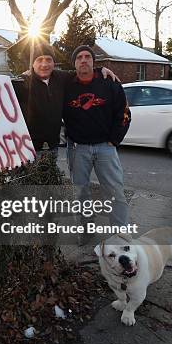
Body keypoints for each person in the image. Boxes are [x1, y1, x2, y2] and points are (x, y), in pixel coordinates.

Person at [63, 45, 131, 228]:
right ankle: (86, 227)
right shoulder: (67, 84)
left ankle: (120, 234)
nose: (83, 60)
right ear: (74, 63)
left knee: (115, 191)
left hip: (105, 147)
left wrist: (114, 140)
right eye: (79, 57)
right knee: (80, 192)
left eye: (87, 57)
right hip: (77, 148)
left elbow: (124, 112)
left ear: (94, 62)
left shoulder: (109, 82)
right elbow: (45, 76)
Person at [18, 43, 119, 159]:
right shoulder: (22, 82)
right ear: (33, 64)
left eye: (48, 60)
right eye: (39, 60)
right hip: (27, 148)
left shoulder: (61, 78)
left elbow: (82, 72)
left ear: (53, 62)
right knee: (25, 177)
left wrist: (100, 70)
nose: (44, 64)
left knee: (48, 177)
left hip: (51, 147)